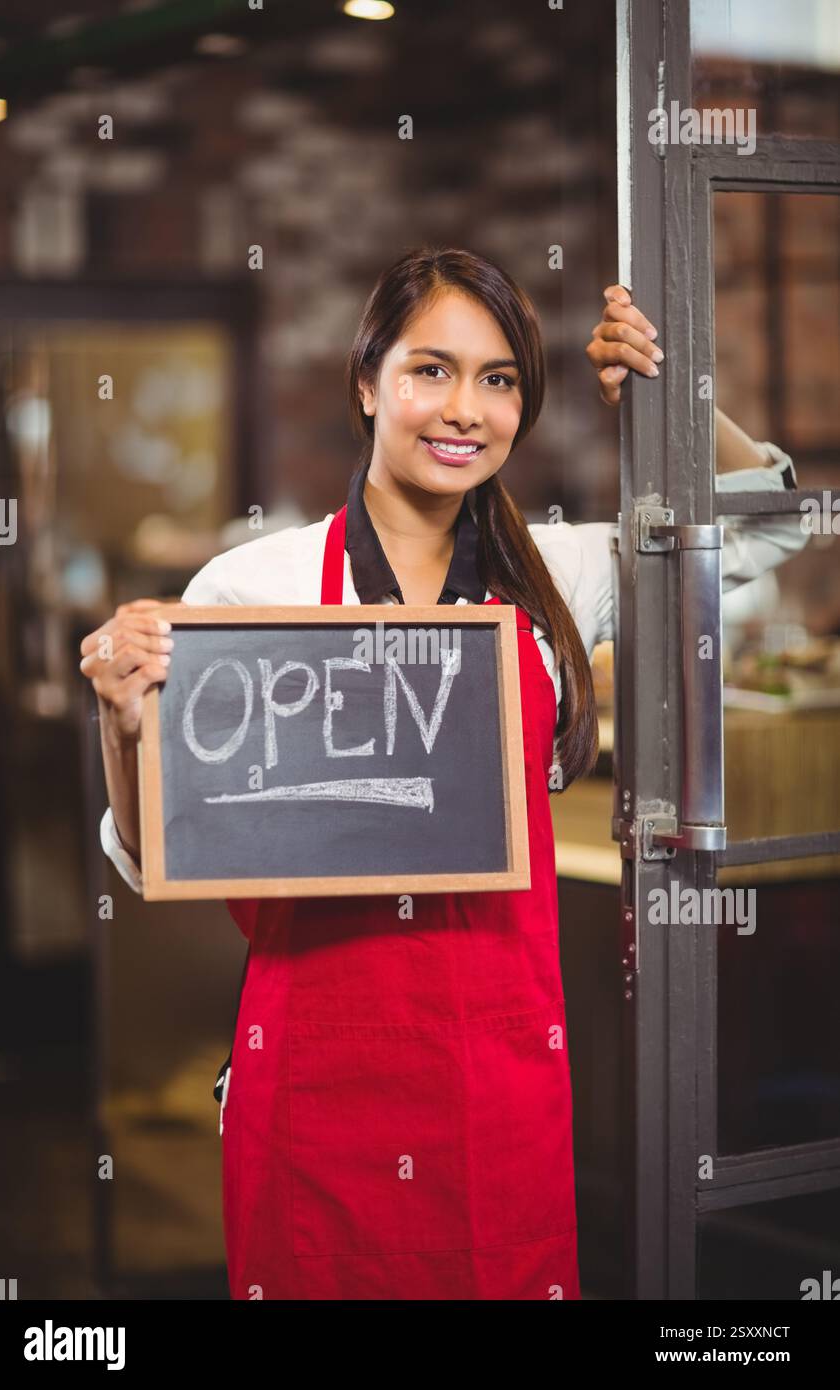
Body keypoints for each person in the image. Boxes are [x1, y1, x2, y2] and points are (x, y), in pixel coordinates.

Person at [79, 250, 807, 1301]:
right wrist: (120, 717)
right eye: (430, 370)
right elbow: (158, 852)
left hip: (495, 1081)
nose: (463, 408)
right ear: (366, 382)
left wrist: (672, 382)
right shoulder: (254, 586)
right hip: (313, 1087)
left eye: (498, 378)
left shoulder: (561, 570)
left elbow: (769, 517)